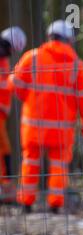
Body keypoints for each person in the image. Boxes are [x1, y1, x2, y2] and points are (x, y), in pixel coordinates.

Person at [11, 20, 83, 214]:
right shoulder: (77, 66)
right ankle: (55, 204)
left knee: (30, 161)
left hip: (33, 126)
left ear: (50, 36)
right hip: (62, 129)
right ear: (69, 40)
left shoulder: (32, 57)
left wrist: (28, 98)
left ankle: (26, 203)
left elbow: (16, 84)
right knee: (59, 164)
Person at [0, 26, 26, 203]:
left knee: (5, 150)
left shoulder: (3, 60)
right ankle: (7, 188)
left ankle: (7, 188)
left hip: (1, 114)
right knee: (4, 150)